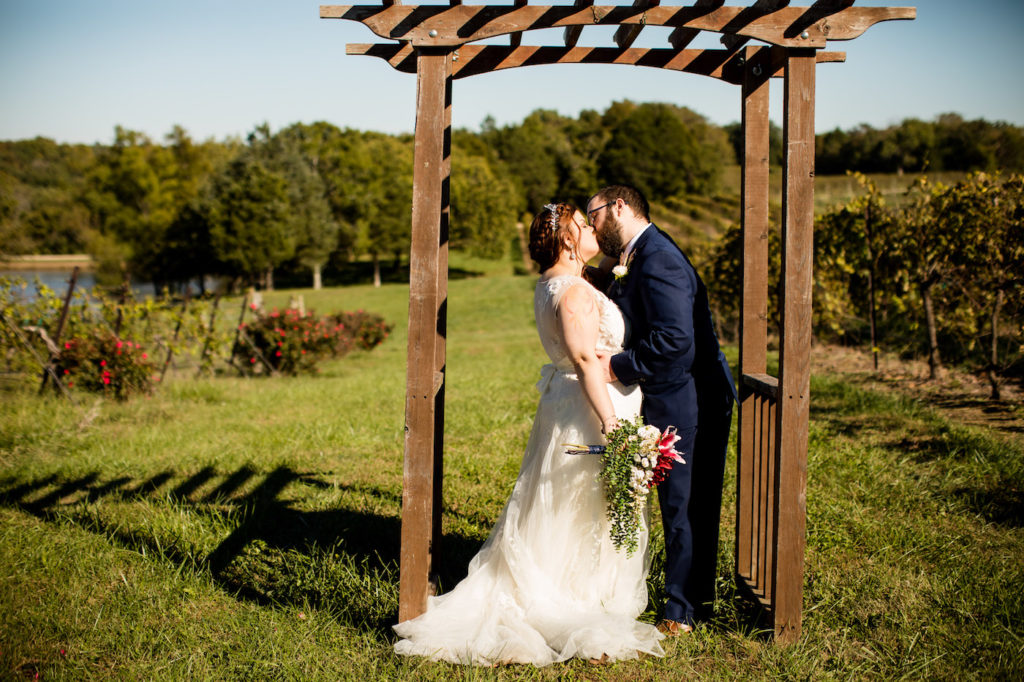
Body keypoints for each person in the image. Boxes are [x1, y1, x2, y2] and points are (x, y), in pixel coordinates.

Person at [392, 202, 665, 666]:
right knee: (579, 502)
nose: (591, 229)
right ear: (565, 239)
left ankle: (576, 587)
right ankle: (570, 599)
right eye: (582, 224)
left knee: (565, 501)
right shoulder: (575, 293)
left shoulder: (556, 284)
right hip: (587, 407)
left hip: (567, 404)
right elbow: (584, 361)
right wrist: (612, 424)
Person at [587, 184, 737, 635]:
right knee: (678, 502)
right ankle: (686, 600)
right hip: (670, 392)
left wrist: (615, 366)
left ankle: (682, 610)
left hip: (689, 397)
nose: (594, 228)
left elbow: (674, 340)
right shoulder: (640, 254)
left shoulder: (659, 258)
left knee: (685, 505)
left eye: (594, 215)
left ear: (618, 207)